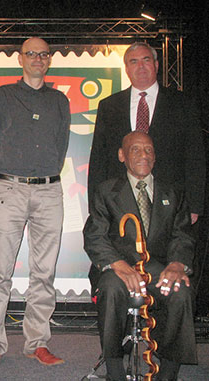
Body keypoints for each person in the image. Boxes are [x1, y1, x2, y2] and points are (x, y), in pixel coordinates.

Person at [0, 37, 70, 367]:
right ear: (20, 59)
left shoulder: (60, 100)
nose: (38, 59)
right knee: (0, 273)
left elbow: (60, 148)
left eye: (44, 54)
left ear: (49, 60)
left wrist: (41, 177)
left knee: (44, 274)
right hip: (10, 190)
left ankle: (37, 343)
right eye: (31, 53)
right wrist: (6, 181)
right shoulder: (2, 96)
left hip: (49, 192)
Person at [83, 131, 197, 381]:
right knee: (112, 288)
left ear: (155, 156)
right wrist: (118, 264)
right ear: (122, 155)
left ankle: (167, 371)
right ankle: (114, 369)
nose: (143, 155)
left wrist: (178, 263)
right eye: (135, 149)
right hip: (117, 268)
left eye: (148, 150)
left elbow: (183, 236)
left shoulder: (172, 193)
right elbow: (94, 235)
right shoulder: (106, 191)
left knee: (181, 290)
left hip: (158, 269)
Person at [88, 42, 205, 225]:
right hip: (120, 201)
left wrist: (195, 205)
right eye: (133, 62)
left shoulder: (183, 103)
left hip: (171, 201)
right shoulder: (109, 106)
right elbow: (99, 158)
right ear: (126, 69)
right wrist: (95, 207)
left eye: (146, 60)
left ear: (156, 65)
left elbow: (195, 156)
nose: (140, 66)